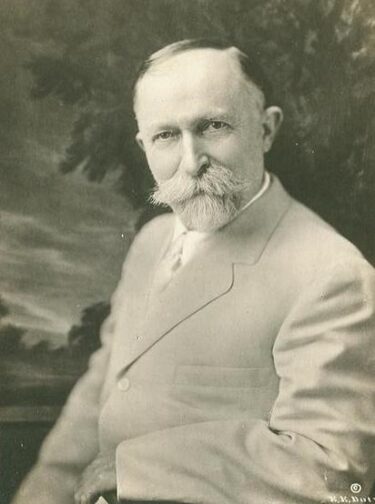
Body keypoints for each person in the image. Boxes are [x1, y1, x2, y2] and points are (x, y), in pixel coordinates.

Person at [13, 39, 375, 504]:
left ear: (266, 129)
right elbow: (101, 390)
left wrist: (139, 468)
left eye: (214, 126)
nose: (191, 161)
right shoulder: (151, 243)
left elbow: (336, 473)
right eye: (166, 135)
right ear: (144, 146)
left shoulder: (331, 274)